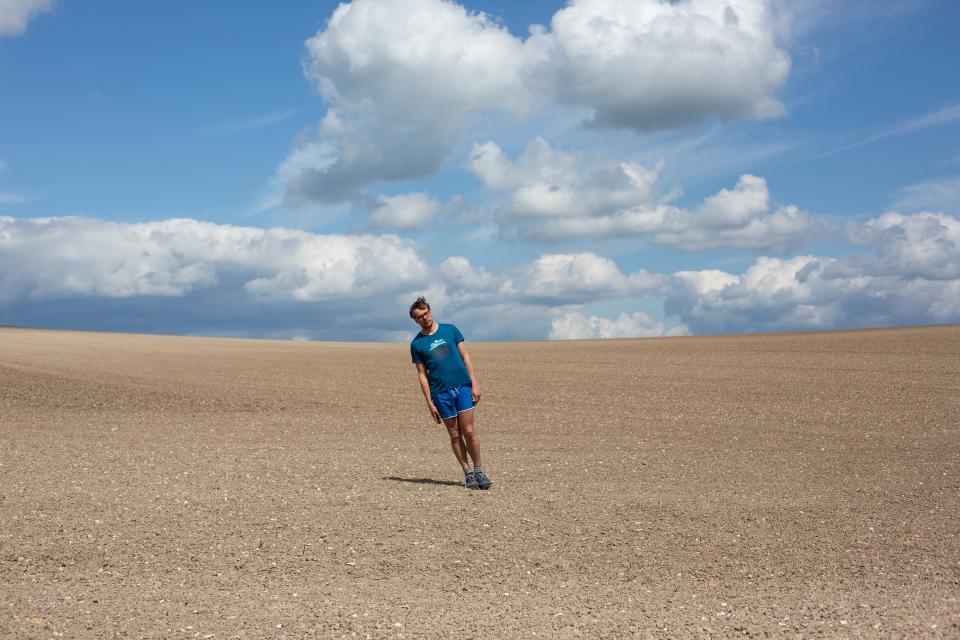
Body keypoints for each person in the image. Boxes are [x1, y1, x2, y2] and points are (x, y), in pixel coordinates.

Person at [409, 296, 492, 490]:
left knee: (469, 432)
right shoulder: (417, 344)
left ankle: (479, 470)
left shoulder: (451, 330)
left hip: (462, 386)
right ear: (415, 320)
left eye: (426, 313)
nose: (425, 318)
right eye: (420, 317)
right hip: (441, 393)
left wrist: (474, 384)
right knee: (454, 434)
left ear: (430, 310)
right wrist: (430, 403)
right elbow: (422, 375)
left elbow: (466, 356)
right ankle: (467, 473)